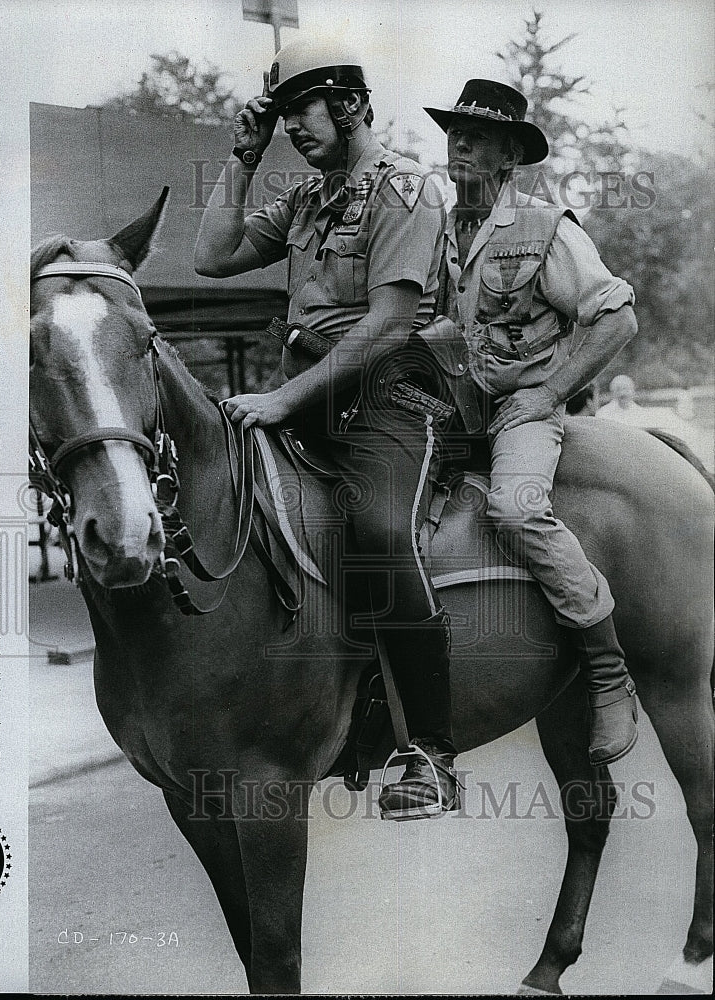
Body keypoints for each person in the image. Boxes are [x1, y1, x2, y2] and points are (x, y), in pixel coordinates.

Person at [194, 37, 459, 818]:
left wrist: (282, 400)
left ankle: (432, 753)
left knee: (376, 530)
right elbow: (210, 257)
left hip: (389, 398)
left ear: (346, 104)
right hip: (308, 393)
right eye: (279, 119)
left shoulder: (405, 189)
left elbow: (388, 321)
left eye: (299, 111)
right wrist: (241, 160)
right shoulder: (308, 199)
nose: (290, 130)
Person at [423, 79, 639, 767]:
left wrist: (548, 392)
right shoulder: (435, 229)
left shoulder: (545, 229)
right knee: (364, 505)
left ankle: (606, 675)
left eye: (478, 136)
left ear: (509, 156)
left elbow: (616, 315)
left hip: (521, 411)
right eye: (455, 130)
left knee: (515, 510)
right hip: (447, 409)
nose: (459, 142)